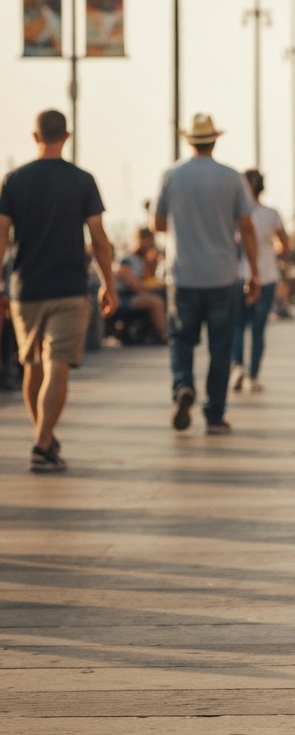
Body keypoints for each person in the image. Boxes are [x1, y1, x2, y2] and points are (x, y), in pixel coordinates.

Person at [0, 109, 117, 472]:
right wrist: (108, 284)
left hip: (25, 289)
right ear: (66, 136)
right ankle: (42, 441)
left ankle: (44, 438)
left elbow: (1, 237)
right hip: (69, 288)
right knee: (57, 366)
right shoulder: (82, 180)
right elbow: (99, 239)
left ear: (35, 137)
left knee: (32, 366)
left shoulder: (14, 181)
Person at [153, 114, 258, 434]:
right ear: (214, 141)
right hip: (222, 276)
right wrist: (253, 270)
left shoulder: (172, 175)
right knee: (220, 346)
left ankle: (183, 387)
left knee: (181, 341)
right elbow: (246, 227)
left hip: (182, 274)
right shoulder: (232, 177)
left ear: (189, 140)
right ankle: (214, 413)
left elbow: (156, 223)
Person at [230, 169, 290, 393]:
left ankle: (237, 366)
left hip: (237, 276)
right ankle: (252, 376)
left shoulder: (233, 214)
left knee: (237, 326)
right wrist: (270, 249)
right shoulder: (271, 214)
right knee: (257, 330)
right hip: (266, 277)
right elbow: (285, 245)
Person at [115, 228, 168, 342]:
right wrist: (155, 287)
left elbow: (148, 280)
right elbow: (137, 287)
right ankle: (165, 335)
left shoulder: (143, 260)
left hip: (135, 296)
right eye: (145, 241)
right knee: (155, 302)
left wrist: (152, 265)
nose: (148, 245)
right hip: (123, 298)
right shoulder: (127, 260)